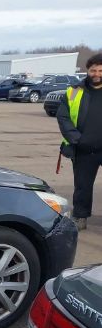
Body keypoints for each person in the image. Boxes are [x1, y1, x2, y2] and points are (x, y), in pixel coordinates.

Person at [58, 53, 102, 230]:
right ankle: (80, 217)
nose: (97, 74)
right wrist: (77, 139)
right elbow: (63, 117)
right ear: (87, 70)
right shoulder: (74, 91)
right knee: (82, 186)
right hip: (84, 149)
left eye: (100, 71)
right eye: (93, 70)